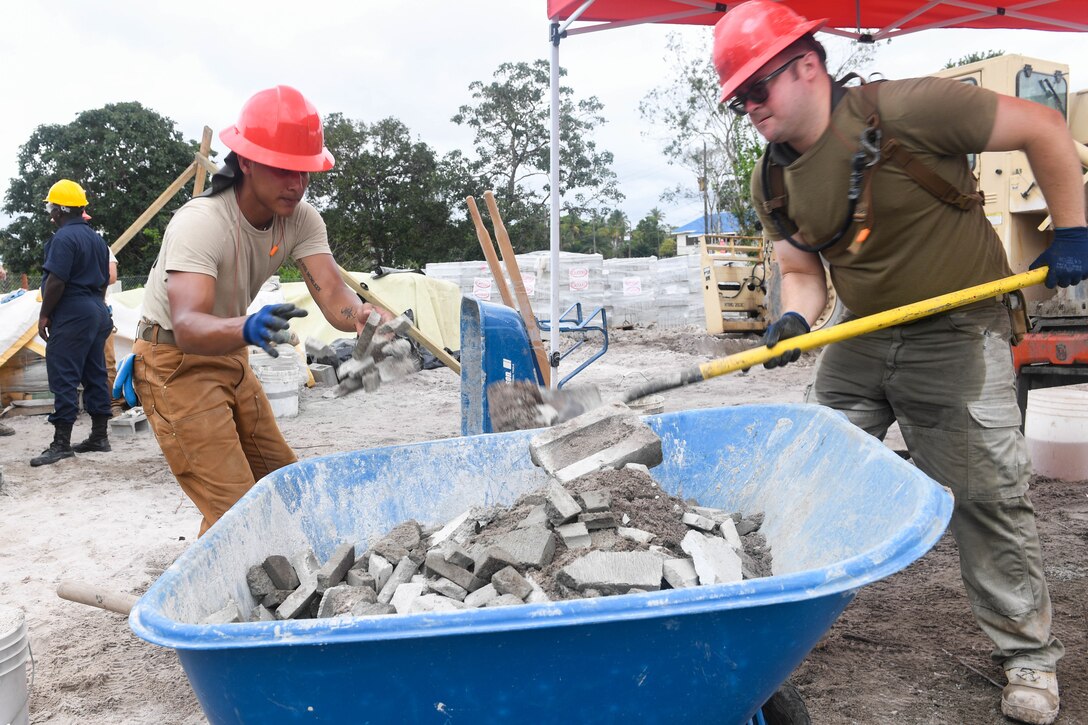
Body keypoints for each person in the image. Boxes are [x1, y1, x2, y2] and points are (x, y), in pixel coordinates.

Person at [711, 3, 1088, 724]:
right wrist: (793, 317)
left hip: (959, 328)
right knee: (810, 472)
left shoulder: (911, 109)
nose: (750, 108)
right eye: (740, 100)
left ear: (806, 65)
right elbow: (802, 270)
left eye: (758, 89)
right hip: (864, 331)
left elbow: (1043, 128)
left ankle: (1028, 656)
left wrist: (1073, 230)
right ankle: (772, 640)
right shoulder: (773, 181)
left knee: (985, 493)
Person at [113, 85, 390, 537]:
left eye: (305, 171)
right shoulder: (202, 222)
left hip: (231, 356)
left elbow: (334, 293)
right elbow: (187, 327)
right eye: (283, 170)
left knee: (283, 485)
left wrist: (357, 316)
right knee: (237, 513)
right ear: (245, 161)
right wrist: (248, 325)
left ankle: (275, 580)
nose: (296, 184)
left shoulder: (302, 218)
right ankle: (217, 599)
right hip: (175, 364)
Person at [34, 179, 114, 466]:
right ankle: (99, 436)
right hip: (96, 308)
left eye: (51, 207)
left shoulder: (63, 239)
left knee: (64, 373)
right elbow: (105, 281)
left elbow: (56, 281)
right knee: (95, 372)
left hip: (73, 311)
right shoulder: (97, 239)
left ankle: (61, 443)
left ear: (59, 210)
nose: (50, 212)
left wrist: (45, 314)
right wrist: (96, 309)